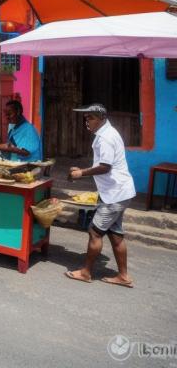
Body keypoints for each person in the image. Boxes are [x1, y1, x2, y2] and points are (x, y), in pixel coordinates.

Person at [65, 103, 136, 288]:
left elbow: (105, 166)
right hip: (118, 192)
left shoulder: (106, 137)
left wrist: (81, 173)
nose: (86, 121)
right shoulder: (107, 133)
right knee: (115, 235)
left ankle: (86, 272)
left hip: (114, 194)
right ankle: (123, 276)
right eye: (85, 118)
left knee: (95, 232)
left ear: (101, 118)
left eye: (90, 118)